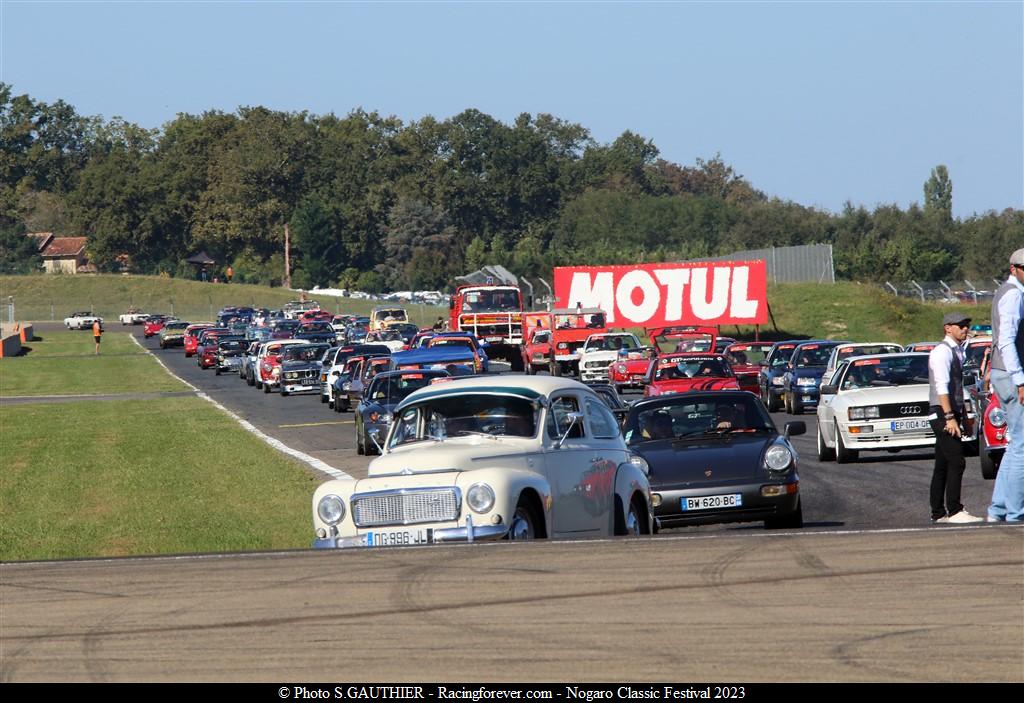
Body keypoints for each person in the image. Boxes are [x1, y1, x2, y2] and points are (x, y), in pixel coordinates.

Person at [927, 312, 984, 523]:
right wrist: (950, 417)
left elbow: (959, 388)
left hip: (951, 411)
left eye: (966, 325)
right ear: (947, 328)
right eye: (960, 325)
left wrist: (965, 417)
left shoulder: (957, 350)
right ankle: (954, 510)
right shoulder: (942, 352)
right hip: (942, 411)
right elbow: (942, 387)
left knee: (942, 463)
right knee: (957, 461)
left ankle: (938, 512)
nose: (965, 329)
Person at [987, 248, 1024, 523]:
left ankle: (998, 508)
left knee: (1014, 444)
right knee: (1022, 445)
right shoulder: (1013, 295)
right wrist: (1020, 379)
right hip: (1012, 374)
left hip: (1003, 372)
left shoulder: (1006, 292)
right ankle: (1015, 512)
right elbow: (1007, 340)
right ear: (1014, 269)